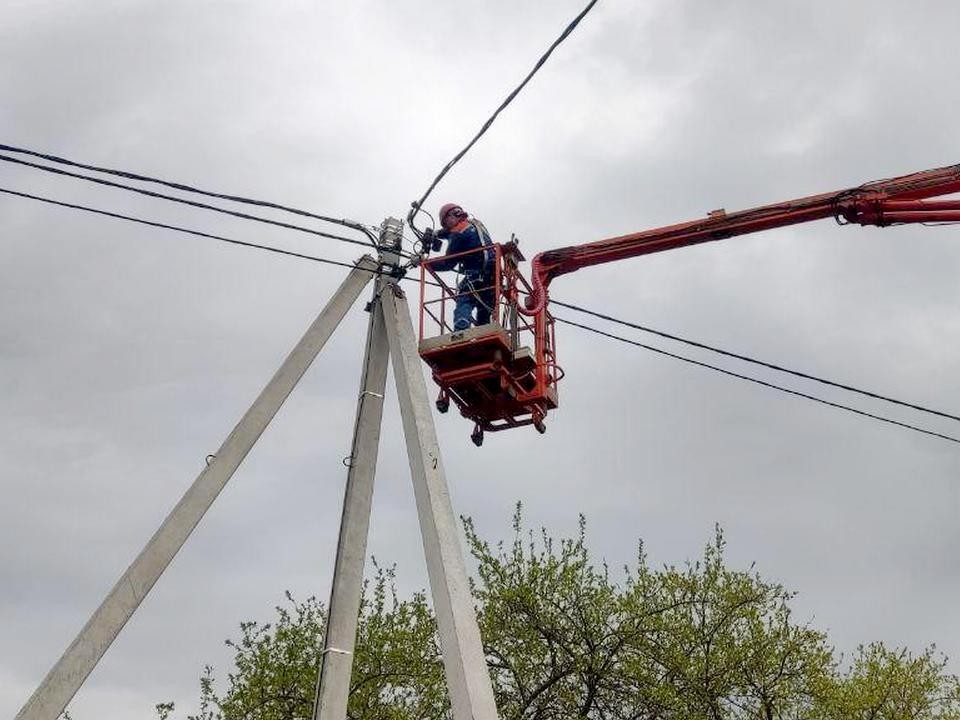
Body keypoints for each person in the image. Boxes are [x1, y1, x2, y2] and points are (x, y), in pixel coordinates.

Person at [430, 203, 496, 331]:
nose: (446, 226)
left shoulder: (458, 233)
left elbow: (448, 264)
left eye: (445, 222)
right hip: (493, 277)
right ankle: (484, 330)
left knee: (464, 297)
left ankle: (461, 330)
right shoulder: (474, 224)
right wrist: (437, 233)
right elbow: (449, 232)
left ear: (450, 216)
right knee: (484, 307)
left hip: (476, 274)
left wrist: (426, 263)